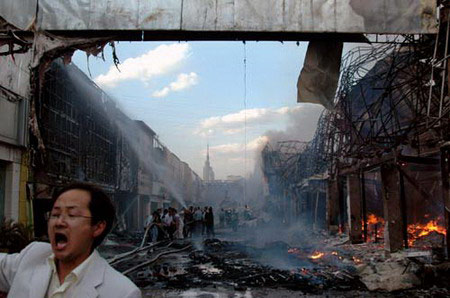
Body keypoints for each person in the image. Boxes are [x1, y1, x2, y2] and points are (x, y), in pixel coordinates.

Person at [0, 182, 141, 298]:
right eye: (55, 214)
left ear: (98, 227)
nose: (59, 222)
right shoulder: (33, 255)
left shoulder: (122, 292)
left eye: (72, 214)